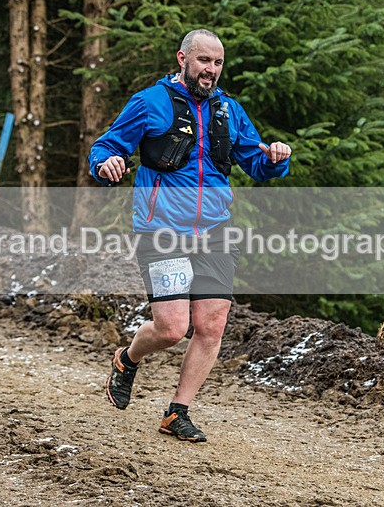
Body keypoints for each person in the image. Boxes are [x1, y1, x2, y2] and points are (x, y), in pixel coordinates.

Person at [88, 29, 291, 442]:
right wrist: (106, 164)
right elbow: (107, 146)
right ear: (183, 58)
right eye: (203, 61)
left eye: (217, 63)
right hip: (162, 231)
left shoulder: (229, 111)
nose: (210, 70)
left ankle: (176, 412)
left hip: (215, 231)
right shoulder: (149, 103)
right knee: (171, 329)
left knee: (211, 325)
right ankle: (127, 360)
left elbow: (255, 162)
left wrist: (273, 157)